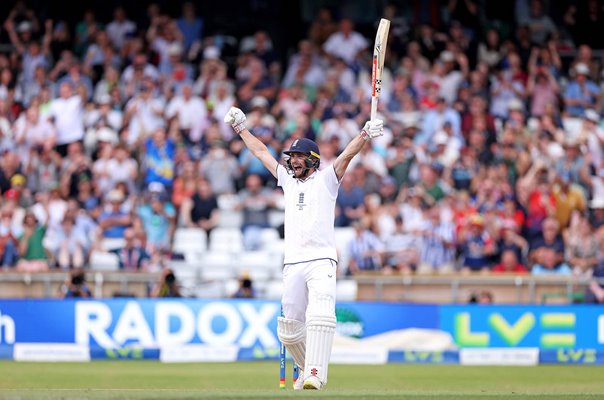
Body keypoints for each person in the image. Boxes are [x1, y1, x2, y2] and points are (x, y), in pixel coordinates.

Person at [224, 106, 383, 390]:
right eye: (292, 157)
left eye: (298, 157)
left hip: (322, 259)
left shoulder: (327, 180)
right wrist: (241, 129)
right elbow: (261, 152)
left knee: (320, 314)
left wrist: (364, 135)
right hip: (293, 261)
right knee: (288, 328)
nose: (293, 161)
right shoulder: (286, 180)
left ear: (312, 160)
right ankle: (304, 365)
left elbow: (346, 155)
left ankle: (315, 373)